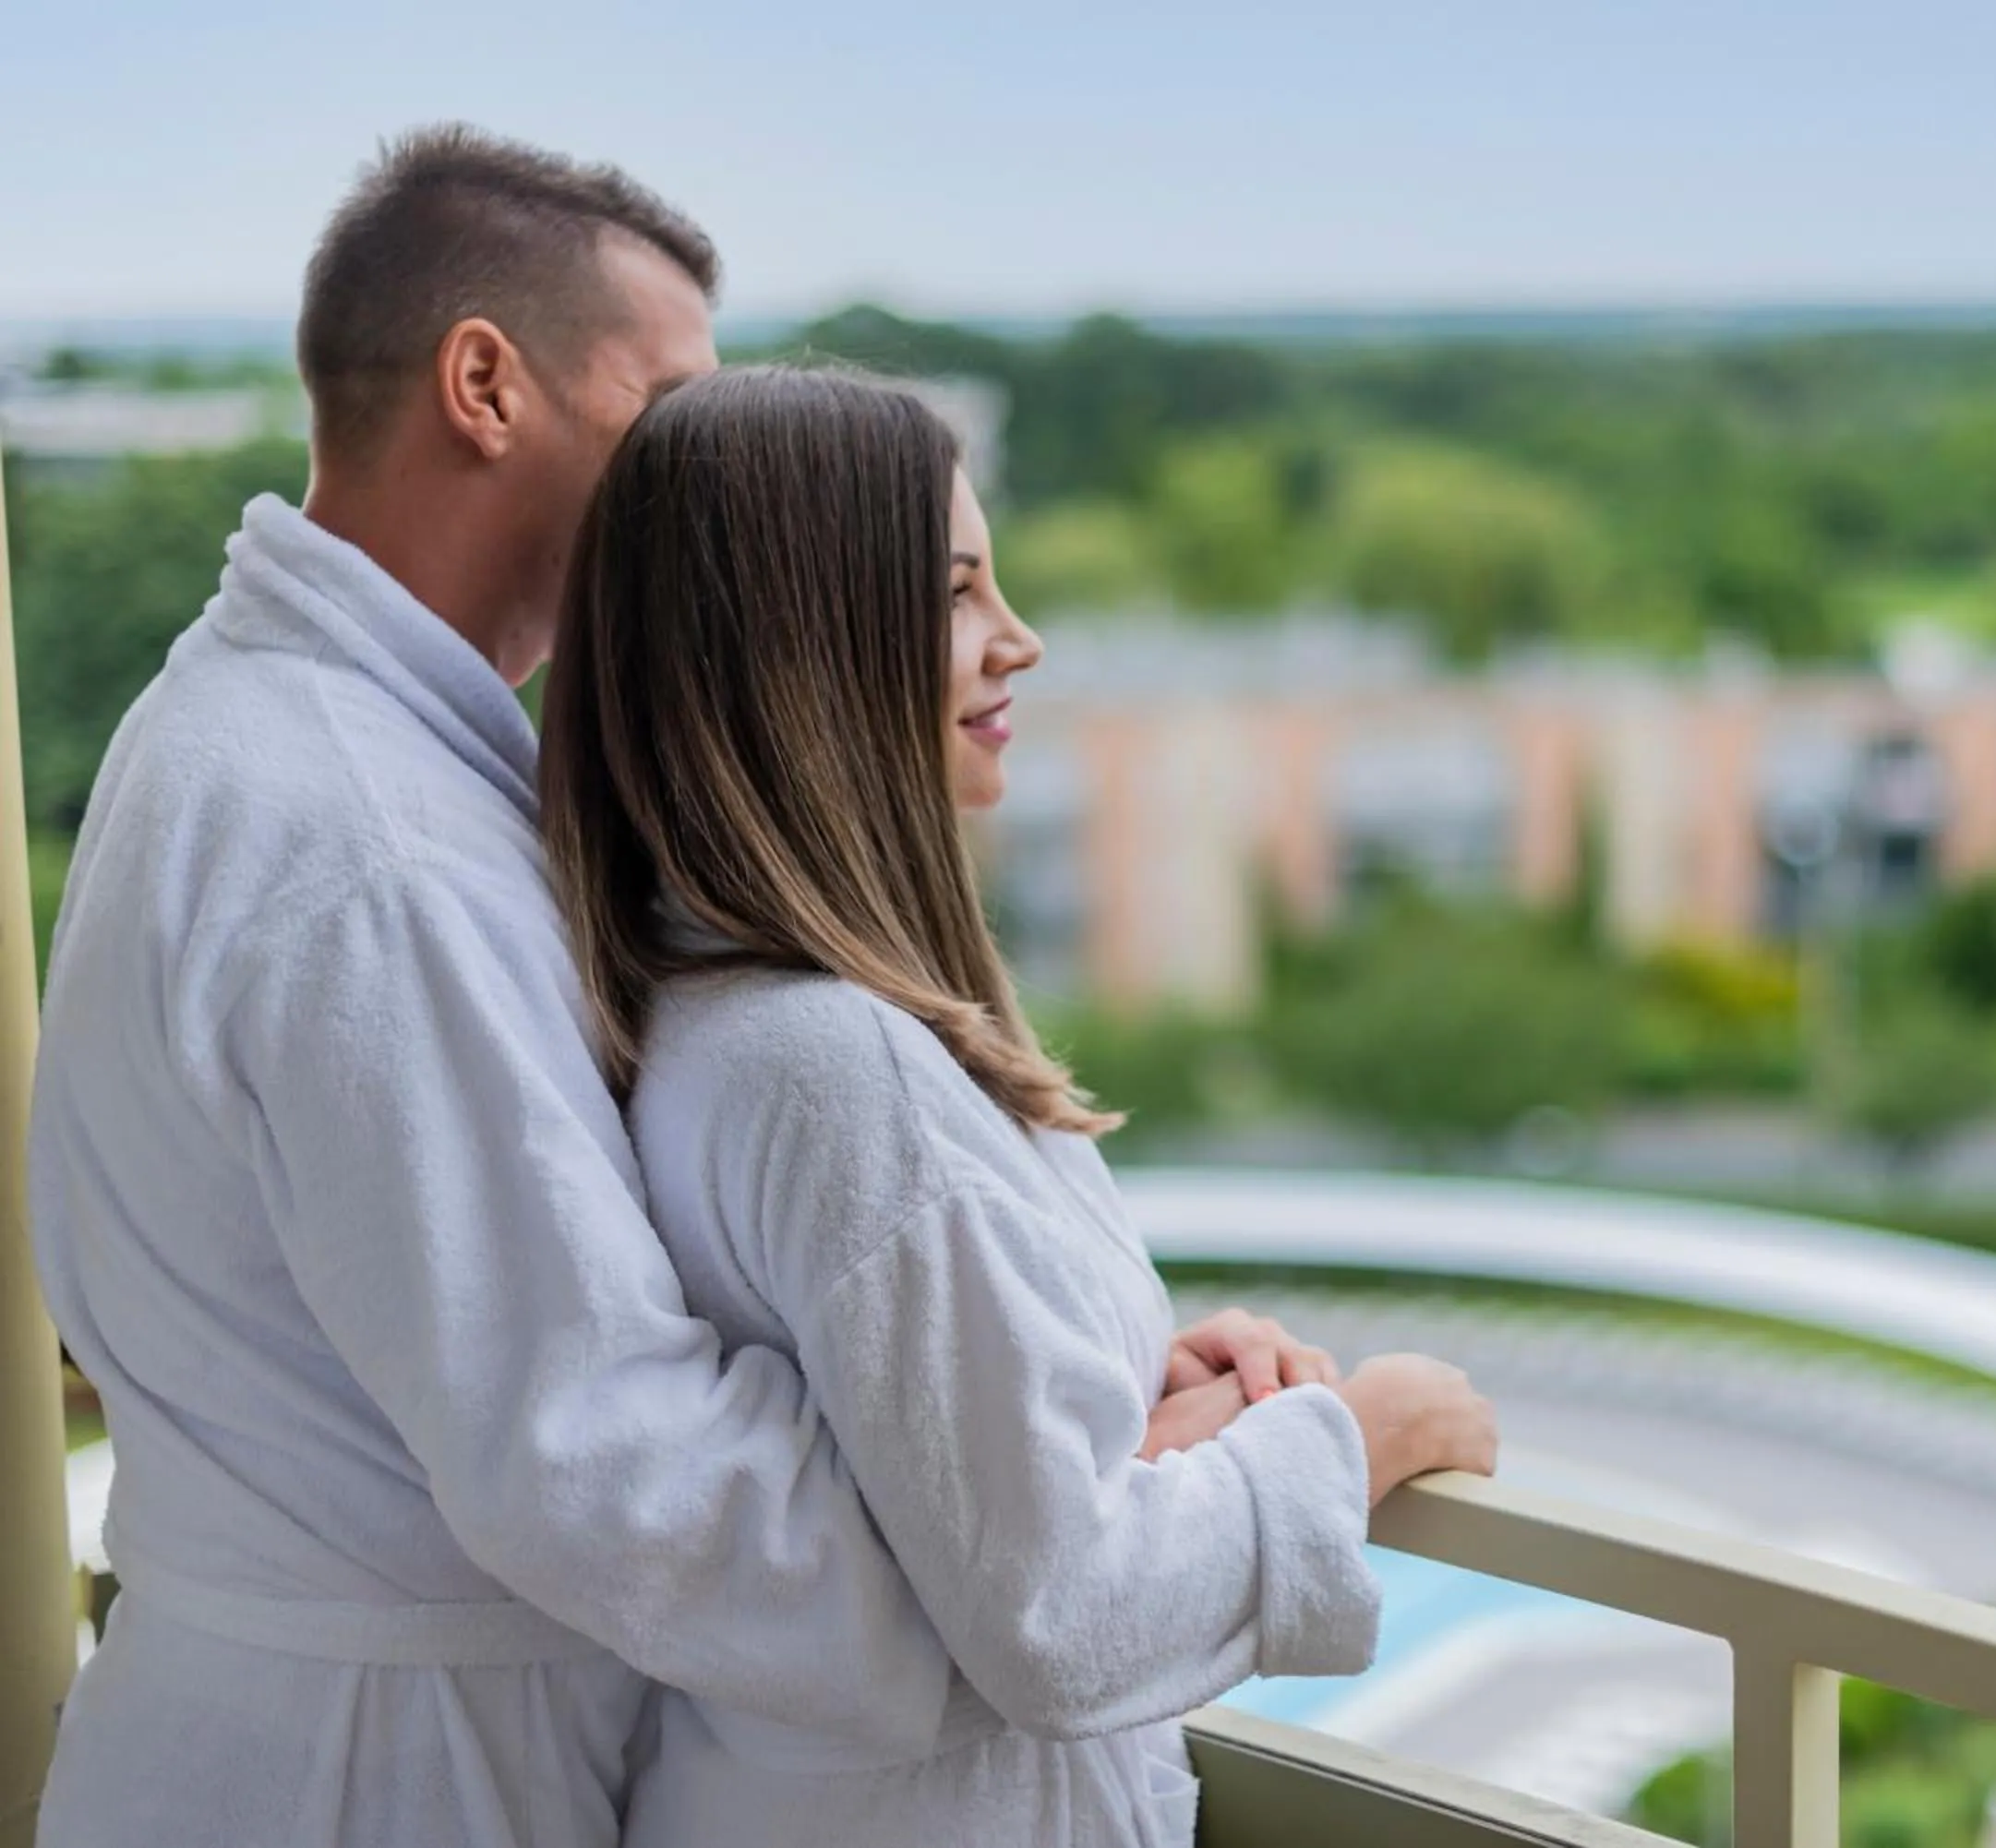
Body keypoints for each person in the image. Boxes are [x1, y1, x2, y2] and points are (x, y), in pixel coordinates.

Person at [26, 126, 1347, 1848]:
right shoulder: (375, 849)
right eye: (662, 421)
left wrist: (1022, 1398)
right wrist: (1043, 1555)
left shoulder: (248, 729)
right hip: (376, 1784)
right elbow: (602, 1452)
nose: (699, 491)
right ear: (485, 385)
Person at [535, 363, 1501, 1848]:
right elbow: (1057, 1613)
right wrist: (1364, 1439)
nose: (1019, 641)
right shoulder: (837, 1067)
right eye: (959, 594)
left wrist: (1104, 1381)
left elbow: (878, 1440)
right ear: (814, 645)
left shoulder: (706, 1007)